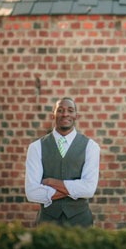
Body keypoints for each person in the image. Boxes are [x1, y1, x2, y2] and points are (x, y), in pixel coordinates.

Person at [25, 97, 100, 226]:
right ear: (53, 115)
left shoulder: (91, 146)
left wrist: (51, 182)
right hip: (47, 222)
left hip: (81, 222)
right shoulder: (36, 147)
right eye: (60, 110)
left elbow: (88, 189)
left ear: (76, 116)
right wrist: (73, 190)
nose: (65, 114)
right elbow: (32, 193)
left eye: (70, 110)